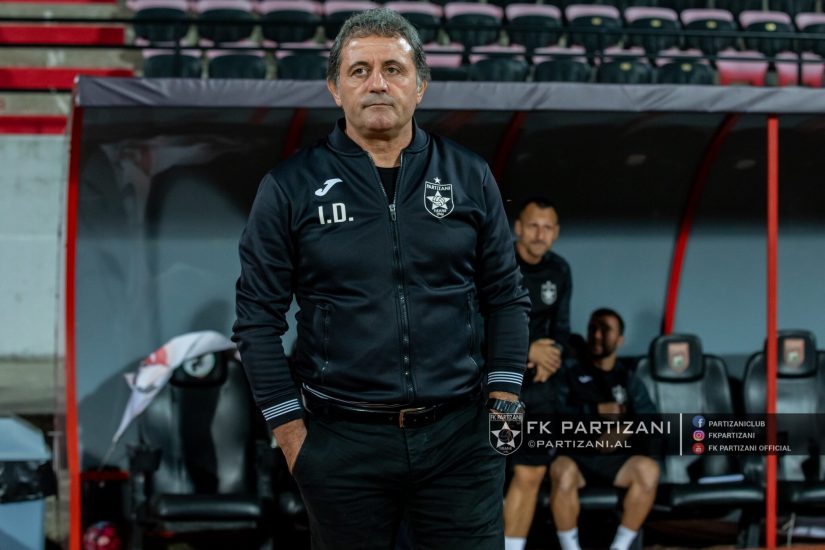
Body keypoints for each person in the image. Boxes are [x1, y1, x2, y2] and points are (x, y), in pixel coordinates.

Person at [232, 8, 530, 550]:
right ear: (334, 88)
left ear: (420, 85)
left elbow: (507, 297)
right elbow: (256, 321)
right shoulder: (289, 187)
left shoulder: (468, 175)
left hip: (460, 441)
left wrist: (505, 398)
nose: (377, 83)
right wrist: (293, 436)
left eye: (393, 68)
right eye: (359, 70)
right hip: (341, 443)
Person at [550, 308, 660, 550]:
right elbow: (555, 415)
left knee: (649, 470)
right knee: (562, 471)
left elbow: (652, 420)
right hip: (577, 457)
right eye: (593, 328)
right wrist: (595, 410)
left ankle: (620, 547)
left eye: (605, 329)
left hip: (615, 460)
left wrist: (626, 429)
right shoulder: (569, 372)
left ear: (620, 339)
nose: (597, 335)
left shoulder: (628, 379)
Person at [503, 198, 572, 550]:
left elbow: (562, 329)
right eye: (533, 226)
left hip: (541, 389)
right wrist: (527, 351)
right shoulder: (497, 262)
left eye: (547, 228)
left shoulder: (560, 270)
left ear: (556, 233)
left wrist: (550, 358)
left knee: (532, 473)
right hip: (501, 388)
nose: (539, 234)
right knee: (491, 475)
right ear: (518, 227)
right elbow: (479, 323)